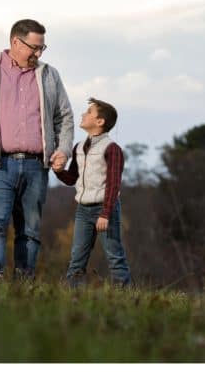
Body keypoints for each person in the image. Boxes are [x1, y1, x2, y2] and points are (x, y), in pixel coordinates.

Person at [0, 19, 74, 279]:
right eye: (34, 47)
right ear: (15, 42)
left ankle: (24, 285)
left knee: (30, 230)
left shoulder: (50, 75)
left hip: (36, 166)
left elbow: (64, 117)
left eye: (43, 48)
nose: (38, 54)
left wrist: (63, 149)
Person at [53, 97, 132, 286]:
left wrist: (105, 214)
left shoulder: (112, 149)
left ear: (100, 122)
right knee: (76, 259)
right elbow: (72, 178)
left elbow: (113, 185)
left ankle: (124, 298)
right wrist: (58, 171)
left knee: (115, 257)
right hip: (83, 210)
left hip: (105, 211)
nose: (83, 114)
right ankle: (72, 297)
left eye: (89, 112)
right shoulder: (79, 147)